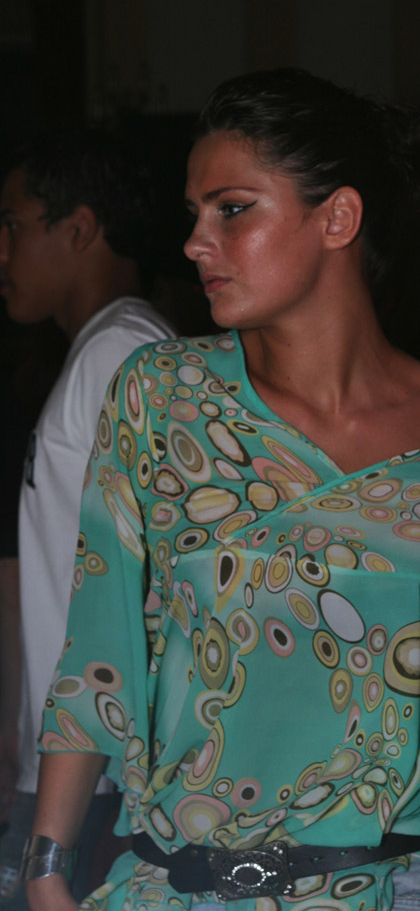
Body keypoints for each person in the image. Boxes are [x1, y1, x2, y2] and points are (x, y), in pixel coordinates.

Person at [22, 72, 420, 911]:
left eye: (232, 209)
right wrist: (45, 868)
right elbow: (98, 651)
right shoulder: (163, 399)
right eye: (194, 214)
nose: (196, 243)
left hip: (408, 883)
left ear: (338, 218)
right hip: (186, 886)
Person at [0, 130, 176, 908]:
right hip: (74, 772)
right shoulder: (103, 352)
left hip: (96, 782)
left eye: (12, 224)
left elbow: (148, 585)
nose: (1, 251)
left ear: (79, 229)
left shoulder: (122, 356)